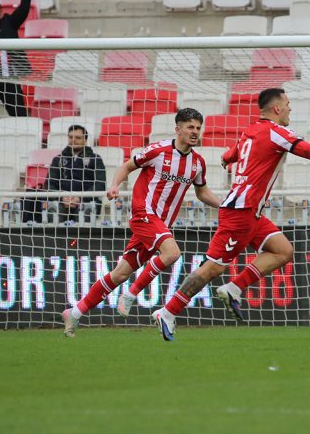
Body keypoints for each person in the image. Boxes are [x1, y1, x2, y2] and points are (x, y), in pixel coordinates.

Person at [148, 87, 310, 341]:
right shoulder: (278, 133)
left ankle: (234, 288)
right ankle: (167, 313)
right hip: (240, 213)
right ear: (277, 108)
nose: (290, 108)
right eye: (288, 103)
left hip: (250, 212)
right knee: (211, 268)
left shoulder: (251, 129)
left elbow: (234, 152)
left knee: (283, 251)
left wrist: (226, 158)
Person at [61, 109, 223, 338]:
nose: (195, 132)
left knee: (119, 274)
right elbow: (127, 166)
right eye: (190, 127)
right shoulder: (158, 151)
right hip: (143, 214)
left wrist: (225, 205)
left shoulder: (197, 163)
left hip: (160, 225)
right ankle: (131, 294)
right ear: (178, 129)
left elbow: (202, 191)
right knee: (172, 253)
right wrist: (115, 185)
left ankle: (75, 313)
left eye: (198, 127)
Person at [45, 124, 106, 223]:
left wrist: (80, 197)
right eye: (70, 137)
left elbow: (100, 184)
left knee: (86, 211)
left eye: (78, 137)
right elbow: (49, 184)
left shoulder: (96, 159)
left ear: (85, 140)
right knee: (54, 211)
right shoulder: (58, 159)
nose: (73, 140)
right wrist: (62, 197)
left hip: (87, 201)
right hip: (61, 201)